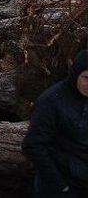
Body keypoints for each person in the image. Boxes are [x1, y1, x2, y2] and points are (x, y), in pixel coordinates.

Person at [22, 50, 88, 197]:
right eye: (86, 78)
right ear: (76, 74)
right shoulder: (52, 101)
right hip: (60, 185)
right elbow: (33, 145)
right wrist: (59, 184)